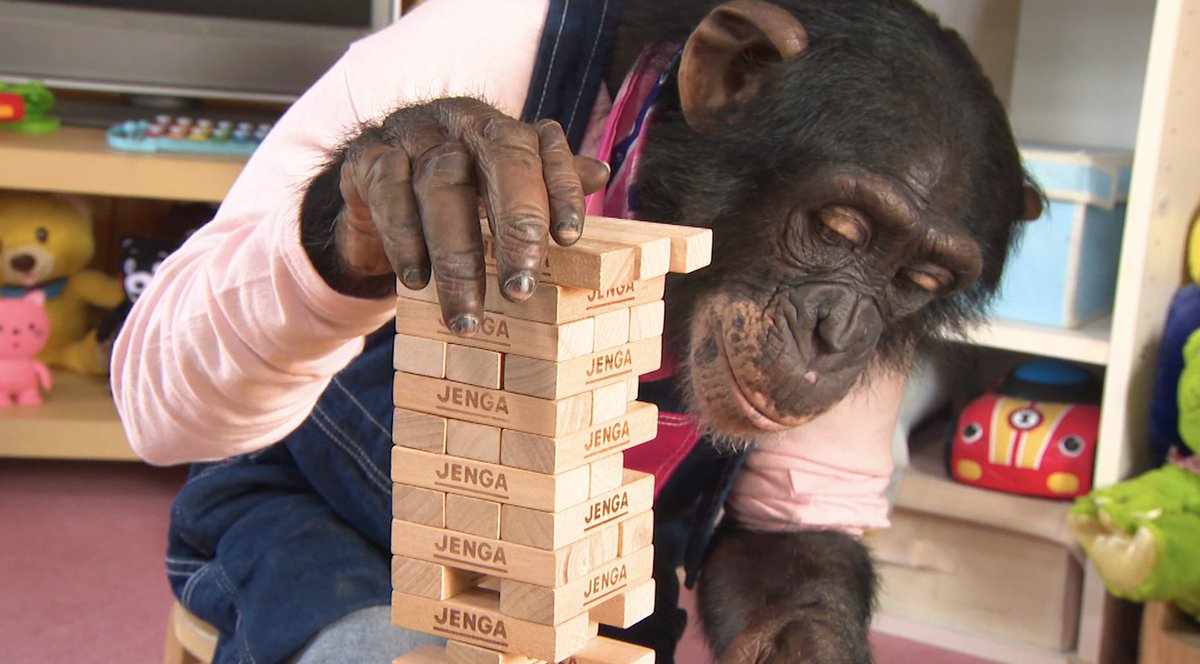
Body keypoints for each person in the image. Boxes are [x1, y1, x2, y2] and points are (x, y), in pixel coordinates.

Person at [112, 1, 905, 662]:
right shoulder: (488, 42)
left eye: (914, 278)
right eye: (834, 228)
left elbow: (799, 523)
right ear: (732, 70)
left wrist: (807, 630)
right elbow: (158, 410)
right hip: (312, 513)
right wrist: (342, 246)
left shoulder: (890, 174)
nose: (835, 338)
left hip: (584, 573)